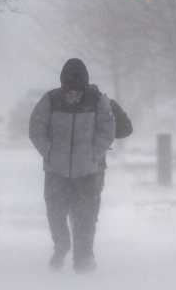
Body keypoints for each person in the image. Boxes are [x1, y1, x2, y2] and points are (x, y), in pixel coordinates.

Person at [29, 58, 116, 273]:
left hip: (87, 172)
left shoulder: (97, 101)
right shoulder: (50, 100)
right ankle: (62, 244)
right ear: (62, 84)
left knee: (86, 217)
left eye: (77, 88)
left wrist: (93, 154)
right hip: (56, 171)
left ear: (85, 84)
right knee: (55, 213)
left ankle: (83, 259)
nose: (73, 93)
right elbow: (36, 129)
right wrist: (49, 153)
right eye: (69, 87)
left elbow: (107, 131)